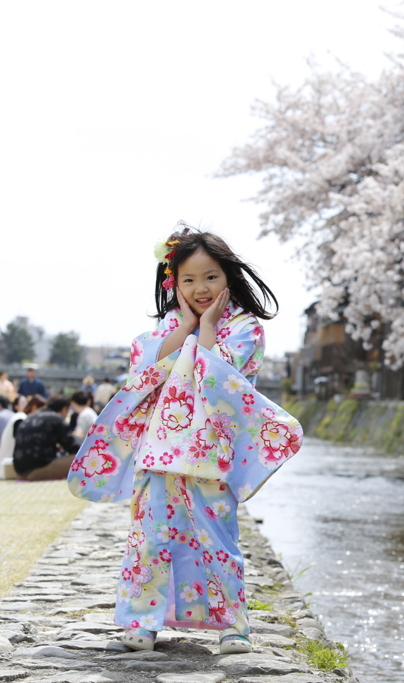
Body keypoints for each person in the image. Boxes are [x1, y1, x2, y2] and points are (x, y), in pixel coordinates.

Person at [68, 226, 303, 655]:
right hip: (158, 451)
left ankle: (233, 625)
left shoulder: (245, 327)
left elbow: (213, 373)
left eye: (211, 277)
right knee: (151, 536)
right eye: (188, 279)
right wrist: (192, 325)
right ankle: (142, 622)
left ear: (229, 276)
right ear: (172, 283)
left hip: (211, 451)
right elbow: (145, 371)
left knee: (218, 536)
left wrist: (209, 325)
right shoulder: (168, 327)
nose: (200, 288)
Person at [12, 395, 78, 480]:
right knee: (83, 459)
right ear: (64, 409)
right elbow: (73, 447)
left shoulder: (30, 417)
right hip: (40, 468)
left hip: (19, 471)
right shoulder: (56, 418)